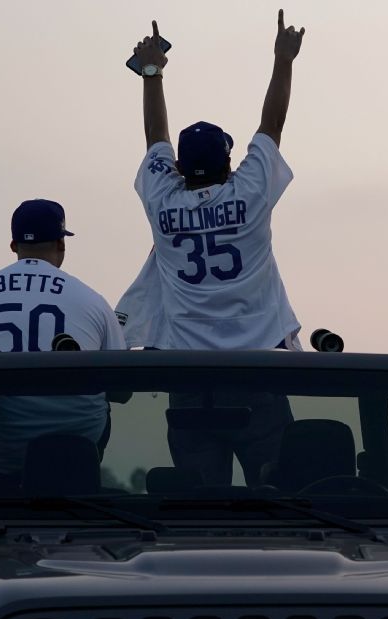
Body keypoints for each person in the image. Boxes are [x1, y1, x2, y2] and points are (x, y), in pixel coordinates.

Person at [118, 14, 306, 487]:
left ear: (180, 166)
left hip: (189, 380)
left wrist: (152, 72)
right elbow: (273, 122)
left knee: (198, 509)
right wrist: (283, 60)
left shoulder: (162, 201)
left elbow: (154, 137)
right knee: (276, 499)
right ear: (229, 163)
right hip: (256, 373)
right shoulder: (248, 195)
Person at [0, 199, 126, 483]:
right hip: (78, 442)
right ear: (61, 243)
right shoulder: (91, 299)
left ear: (13, 245)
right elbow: (122, 391)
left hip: (6, 446)